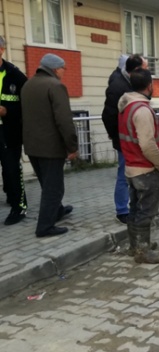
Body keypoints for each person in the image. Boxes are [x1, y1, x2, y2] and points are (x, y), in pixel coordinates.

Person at [21, 54, 77, 237]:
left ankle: (58, 210)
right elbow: (64, 120)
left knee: (47, 183)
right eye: (63, 68)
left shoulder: (27, 85)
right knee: (54, 188)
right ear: (54, 69)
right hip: (50, 147)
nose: (64, 71)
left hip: (32, 145)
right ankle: (45, 226)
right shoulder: (56, 86)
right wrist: (72, 146)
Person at [118, 68, 159, 264]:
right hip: (145, 169)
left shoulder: (125, 106)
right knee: (146, 211)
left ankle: (136, 245)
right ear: (150, 85)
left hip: (131, 166)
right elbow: (147, 144)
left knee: (135, 209)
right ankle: (142, 251)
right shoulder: (142, 110)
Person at [101, 54, 148, 224]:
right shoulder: (118, 85)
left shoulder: (130, 82)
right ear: (136, 69)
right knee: (124, 174)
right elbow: (108, 115)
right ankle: (122, 210)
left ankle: (135, 206)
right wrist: (116, 136)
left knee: (136, 172)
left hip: (132, 137)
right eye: (145, 68)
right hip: (124, 139)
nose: (147, 71)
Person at [0, 36, 28, 225]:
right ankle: (10, 195)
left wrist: (7, 110)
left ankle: (19, 207)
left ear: (1, 50)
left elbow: (28, 102)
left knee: (11, 169)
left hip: (9, 131)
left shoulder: (14, 74)